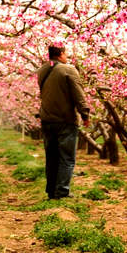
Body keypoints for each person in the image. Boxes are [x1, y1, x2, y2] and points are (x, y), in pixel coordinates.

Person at [36, 44, 90, 199]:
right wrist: (85, 114)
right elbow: (78, 94)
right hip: (65, 120)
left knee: (51, 157)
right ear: (60, 54)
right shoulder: (68, 69)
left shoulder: (42, 70)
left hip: (47, 119)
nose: (67, 57)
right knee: (66, 158)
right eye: (66, 53)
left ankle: (51, 191)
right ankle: (62, 191)